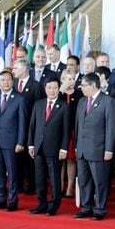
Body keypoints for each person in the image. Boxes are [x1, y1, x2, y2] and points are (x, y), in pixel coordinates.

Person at [73, 73, 115, 220]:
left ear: (93, 85)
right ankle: (86, 207)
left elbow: (112, 128)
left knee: (100, 181)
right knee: (83, 180)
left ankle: (100, 209)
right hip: (82, 149)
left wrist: (109, 149)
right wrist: (76, 145)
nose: (82, 88)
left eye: (84, 85)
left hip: (99, 149)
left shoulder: (108, 102)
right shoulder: (81, 101)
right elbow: (78, 125)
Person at [0, 70, 28, 211]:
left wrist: (20, 142)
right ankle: (1, 198)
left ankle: (13, 200)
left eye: (8, 79)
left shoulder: (20, 98)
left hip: (11, 142)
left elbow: (22, 123)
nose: (6, 82)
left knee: (13, 173)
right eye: (2, 80)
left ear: (12, 80)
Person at [28, 78, 70, 216]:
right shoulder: (38, 104)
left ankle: (54, 205)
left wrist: (64, 148)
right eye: (49, 88)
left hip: (55, 148)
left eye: (54, 88)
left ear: (59, 89)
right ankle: (41, 204)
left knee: (54, 178)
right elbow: (32, 126)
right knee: (39, 177)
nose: (52, 90)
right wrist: (30, 144)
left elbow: (66, 130)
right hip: (38, 147)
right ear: (45, 89)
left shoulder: (64, 106)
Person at [13, 58, 44, 195]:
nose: (13, 70)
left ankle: (31, 185)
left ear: (24, 69)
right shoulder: (13, 83)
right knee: (16, 158)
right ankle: (18, 185)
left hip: (30, 126)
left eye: (15, 68)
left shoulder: (36, 86)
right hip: (14, 127)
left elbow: (38, 108)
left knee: (29, 159)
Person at [59, 70, 83, 198]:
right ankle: (60, 187)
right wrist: (61, 91)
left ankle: (69, 188)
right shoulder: (59, 94)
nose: (71, 81)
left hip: (73, 131)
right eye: (68, 79)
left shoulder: (79, 94)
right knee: (60, 160)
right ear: (62, 80)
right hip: (60, 131)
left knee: (71, 160)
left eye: (73, 78)